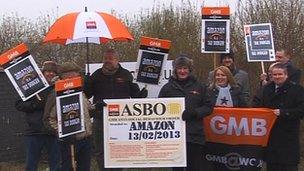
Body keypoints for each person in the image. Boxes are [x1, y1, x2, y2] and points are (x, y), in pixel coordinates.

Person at [84, 49, 147, 171]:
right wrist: (86, 83)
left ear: (117, 60)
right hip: (100, 118)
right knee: (100, 150)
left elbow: (135, 96)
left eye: (110, 58)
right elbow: (86, 95)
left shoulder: (126, 74)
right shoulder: (96, 75)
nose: (107, 61)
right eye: (105, 58)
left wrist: (141, 94)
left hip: (121, 120)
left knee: (119, 149)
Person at [158, 54, 213, 171]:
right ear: (175, 70)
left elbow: (209, 107)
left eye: (185, 68)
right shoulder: (167, 88)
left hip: (195, 136)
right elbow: (159, 110)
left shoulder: (200, 87)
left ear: (189, 69)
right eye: (179, 68)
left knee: (193, 167)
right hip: (174, 137)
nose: (182, 71)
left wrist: (195, 112)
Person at [252, 63, 304, 171]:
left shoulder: (297, 90)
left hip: (288, 135)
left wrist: (283, 113)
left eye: (280, 74)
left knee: (288, 166)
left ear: (286, 75)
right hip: (270, 135)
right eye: (274, 74)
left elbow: (301, 111)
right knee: (272, 165)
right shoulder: (266, 89)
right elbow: (258, 105)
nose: (277, 77)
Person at [44, 62, 94, 171]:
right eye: (77, 75)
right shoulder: (55, 93)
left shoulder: (79, 91)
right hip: (68, 142)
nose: (80, 77)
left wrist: (97, 107)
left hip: (85, 139)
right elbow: (48, 119)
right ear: (68, 76)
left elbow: (87, 111)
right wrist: (62, 133)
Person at [15, 61, 60, 171]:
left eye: (53, 72)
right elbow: (18, 104)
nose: (51, 74)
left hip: (53, 131)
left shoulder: (59, 87)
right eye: (48, 71)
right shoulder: (32, 86)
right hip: (34, 131)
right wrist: (34, 105)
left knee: (56, 165)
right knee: (31, 165)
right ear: (42, 73)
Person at [207, 66, 248, 171]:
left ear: (228, 76)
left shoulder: (236, 91)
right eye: (217, 75)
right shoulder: (208, 91)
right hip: (213, 134)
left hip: (232, 134)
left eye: (223, 75)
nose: (220, 77)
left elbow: (245, 109)